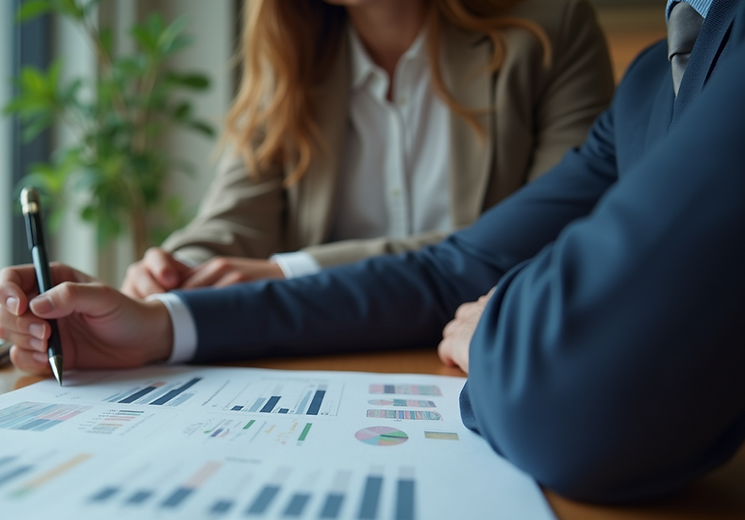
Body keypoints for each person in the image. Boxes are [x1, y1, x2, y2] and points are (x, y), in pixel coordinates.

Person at [0, 0, 745, 504]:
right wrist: (164, 308)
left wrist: (506, 327)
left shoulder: (549, 31)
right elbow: (452, 266)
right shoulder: (657, 74)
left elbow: (538, 260)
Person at [120, 0, 614, 298]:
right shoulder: (293, 54)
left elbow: (549, 238)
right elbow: (235, 222)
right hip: (326, 361)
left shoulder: (552, 29)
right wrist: (173, 273)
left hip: (483, 355)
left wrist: (293, 274)